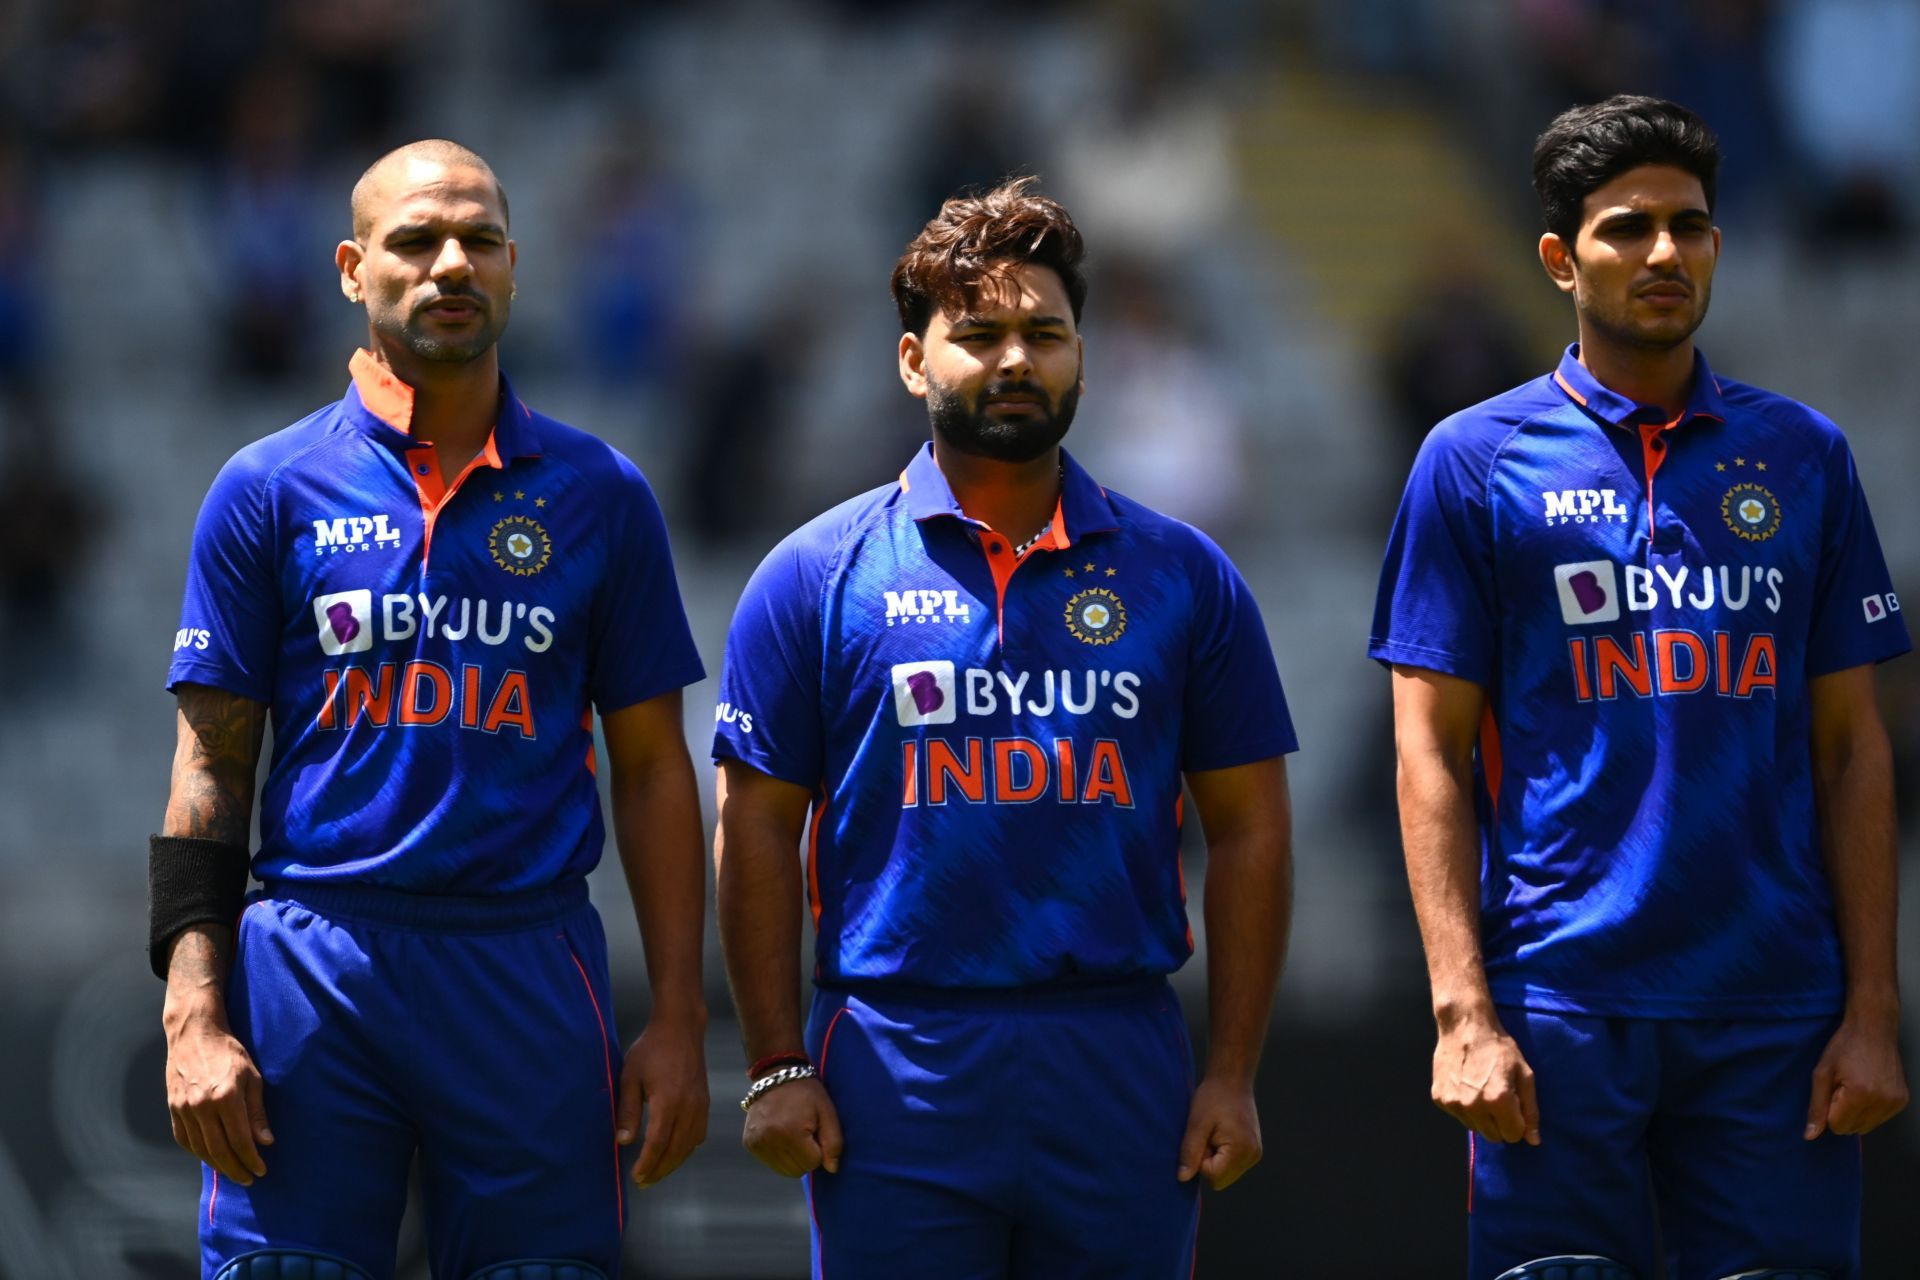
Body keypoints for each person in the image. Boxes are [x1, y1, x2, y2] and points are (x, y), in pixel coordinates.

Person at [710, 178, 1297, 1278]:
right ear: (911, 360)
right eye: (977, 334)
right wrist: (778, 1060)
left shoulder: (1186, 576)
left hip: (1119, 1053)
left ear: (1085, 353)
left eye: (1045, 332)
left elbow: (1253, 829)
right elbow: (752, 828)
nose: (1015, 360)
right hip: (897, 1056)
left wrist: (1230, 1070)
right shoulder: (816, 574)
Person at [1370, 96, 1909, 1280]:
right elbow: (1426, 750)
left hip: (1776, 1008)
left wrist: (1874, 1008)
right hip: (1558, 1003)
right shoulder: (1473, 458)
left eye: (1689, 225)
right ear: (1561, 258)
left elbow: (1853, 748)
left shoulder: (1806, 454)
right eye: (1627, 228)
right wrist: (1463, 1010)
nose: (1664, 253)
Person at [154, 140, 711, 1280]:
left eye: (479, 240)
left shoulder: (601, 493)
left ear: (515, 266)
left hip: (526, 960)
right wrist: (192, 1012)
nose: (450, 262)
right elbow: (209, 766)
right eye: (416, 241)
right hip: (314, 962)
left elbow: (655, 768)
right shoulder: (265, 486)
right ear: (354, 269)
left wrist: (681, 1019)